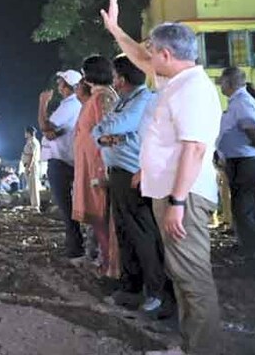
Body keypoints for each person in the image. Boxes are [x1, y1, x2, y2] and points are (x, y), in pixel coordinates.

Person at [101, 0, 223, 354]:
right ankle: (191, 345)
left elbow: (194, 149)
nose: (146, 58)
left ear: (167, 55)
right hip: (170, 193)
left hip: (183, 197)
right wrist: (115, 30)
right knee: (182, 276)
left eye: (152, 52)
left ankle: (204, 349)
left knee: (192, 279)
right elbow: (139, 56)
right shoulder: (176, 83)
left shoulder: (193, 91)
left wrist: (178, 202)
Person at [94, 55, 172, 317]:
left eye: (116, 76)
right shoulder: (126, 101)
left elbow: (114, 126)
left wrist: (108, 134)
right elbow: (102, 132)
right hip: (120, 173)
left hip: (134, 175)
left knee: (143, 234)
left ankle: (156, 293)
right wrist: (105, 136)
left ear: (123, 79)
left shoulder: (143, 100)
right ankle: (131, 287)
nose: (114, 80)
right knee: (126, 233)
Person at [215, 66, 255, 279]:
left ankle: (254, 263)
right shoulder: (240, 101)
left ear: (229, 83)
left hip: (245, 162)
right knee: (249, 210)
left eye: (222, 81)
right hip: (242, 161)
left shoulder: (241, 102)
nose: (220, 85)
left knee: (244, 212)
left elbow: (252, 131)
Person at [73, 55, 119, 277]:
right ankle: (104, 260)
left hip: (99, 165)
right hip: (90, 163)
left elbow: (109, 133)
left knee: (102, 215)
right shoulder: (96, 97)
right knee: (97, 217)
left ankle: (111, 264)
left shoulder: (104, 98)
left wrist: (104, 168)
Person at [39, 69, 84, 263]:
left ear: (68, 86)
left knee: (66, 206)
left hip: (61, 160)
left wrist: (42, 104)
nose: (58, 86)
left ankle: (75, 247)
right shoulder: (74, 104)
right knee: (68, 206)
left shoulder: (70, 105)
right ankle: (75, 245)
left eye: (60, 82)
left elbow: (47, 128)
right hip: (67, 159)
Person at [21, 127, 42, 211]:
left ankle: (35, 205)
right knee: (31, 186)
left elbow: (32, 155)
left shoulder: (33, 142)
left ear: (29, 133)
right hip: (29, 165)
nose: (25, 134)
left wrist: (29, 167)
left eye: (25, 132)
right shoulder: (30, 141)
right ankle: (33, 204)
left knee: (34, 185)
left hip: (32, 166)